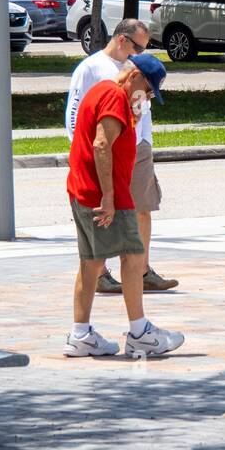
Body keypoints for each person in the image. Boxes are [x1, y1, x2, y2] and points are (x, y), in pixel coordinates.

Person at [64, 53, 185, 358]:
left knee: (91, 263)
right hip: (106, 197)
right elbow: (102, 143)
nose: (147, 98)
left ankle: (81, 335)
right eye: (147, 90)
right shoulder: (115, 97)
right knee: (133, 256)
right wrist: (108, 198)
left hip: (84, 191)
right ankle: (140, 332)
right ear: (134, 77)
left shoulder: (104, 91)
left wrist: (136, 114)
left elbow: (107, 139)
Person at [64, 18, 179, 295]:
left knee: (142, 206)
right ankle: (100, 272)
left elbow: (144, 110)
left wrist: (146, 140)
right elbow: (75, 113)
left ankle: (142, 270)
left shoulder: (139, 70)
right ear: (122, 40)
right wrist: (83, 150)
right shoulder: (93, 68)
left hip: (136, 147)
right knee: (104, 208)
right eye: (139, 47)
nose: (142, 53)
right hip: (105, 149)